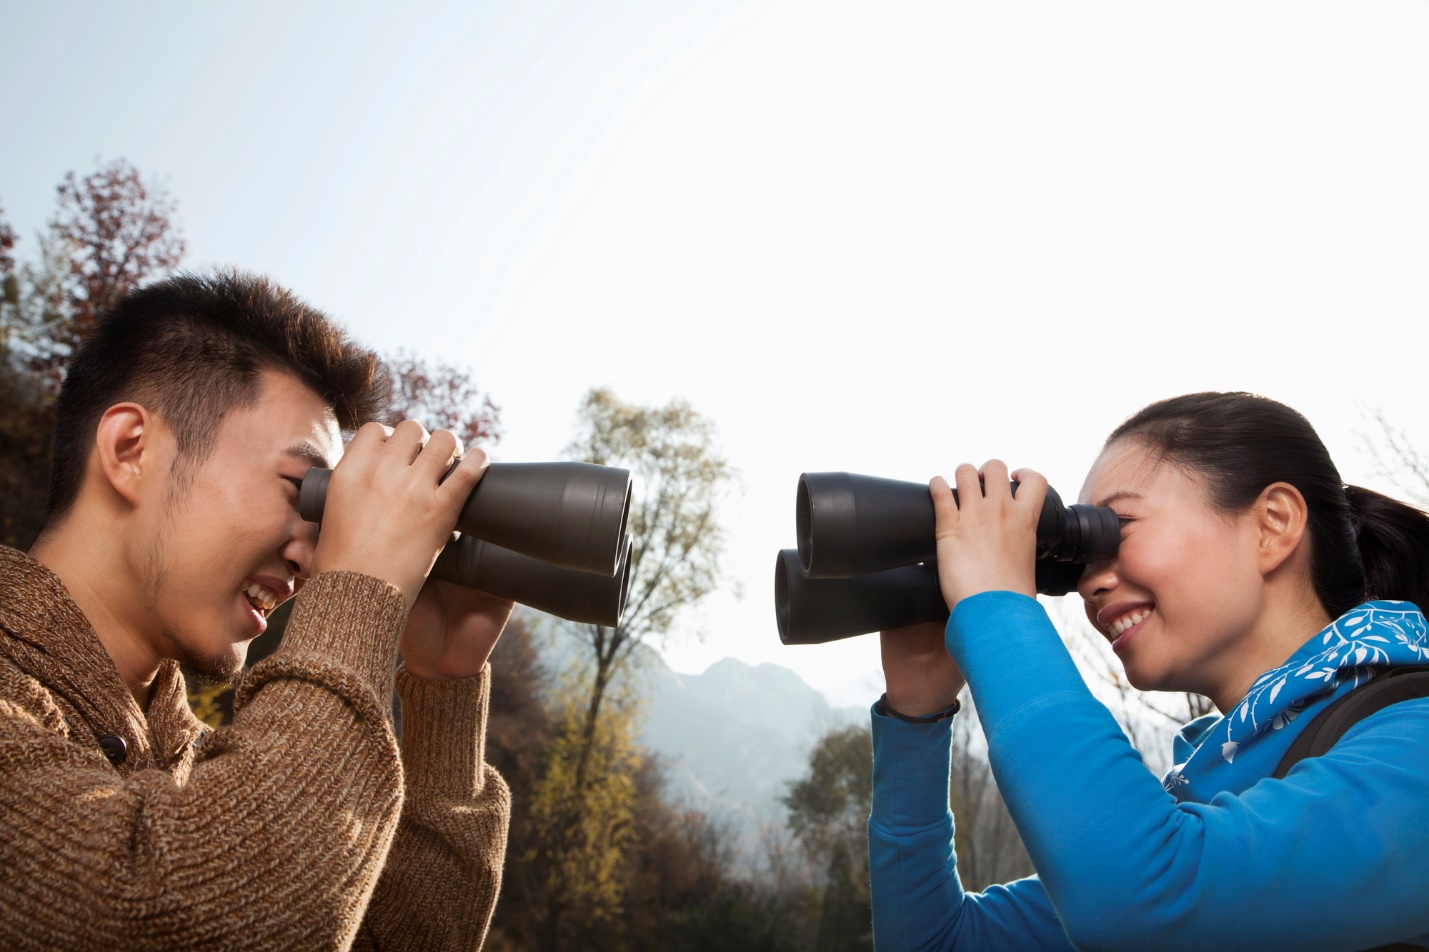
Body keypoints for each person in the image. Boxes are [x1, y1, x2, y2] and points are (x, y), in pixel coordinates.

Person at [0, 270, 514, 950]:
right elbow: (158, 910)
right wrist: (360, 588)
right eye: (300, 490)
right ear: (132, 450)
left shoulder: (203, 772)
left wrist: (441, 686)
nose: (314, 556)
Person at [870, 392, 1429, 951]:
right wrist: (915, 716)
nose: (1089, 583)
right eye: (1083, 559)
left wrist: (997, 606)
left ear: (1273, 524)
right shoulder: (1199, 804)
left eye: (1119, 527)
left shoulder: (1414, 745)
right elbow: (937, 943)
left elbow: (1148, 902)